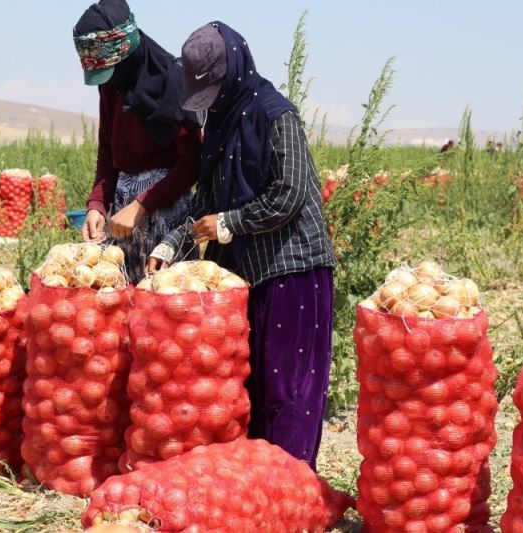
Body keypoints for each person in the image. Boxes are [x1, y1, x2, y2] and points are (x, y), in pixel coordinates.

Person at [148, 22, 338, 471]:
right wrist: (171, 246)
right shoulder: (221, 121)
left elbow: (289, 194)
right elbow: (206, 204)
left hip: (295, 271)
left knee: (289, 392)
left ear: (234, 69)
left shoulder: (276, 115)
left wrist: (230, 223)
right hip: (250, 275)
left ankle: (290, 492)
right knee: (252, 389)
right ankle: (260, 492)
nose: (208, 100)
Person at [73, 0, 201, 282]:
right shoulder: (112, 85)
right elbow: (108, 152)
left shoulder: (175, 81)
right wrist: (97, 203)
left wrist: (143, 206)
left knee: (165, 302)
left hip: (167, 211)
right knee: (120, 302)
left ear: (126, 52)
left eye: (112, 70)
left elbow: (191, 164)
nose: (110, 81)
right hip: (122, 213)